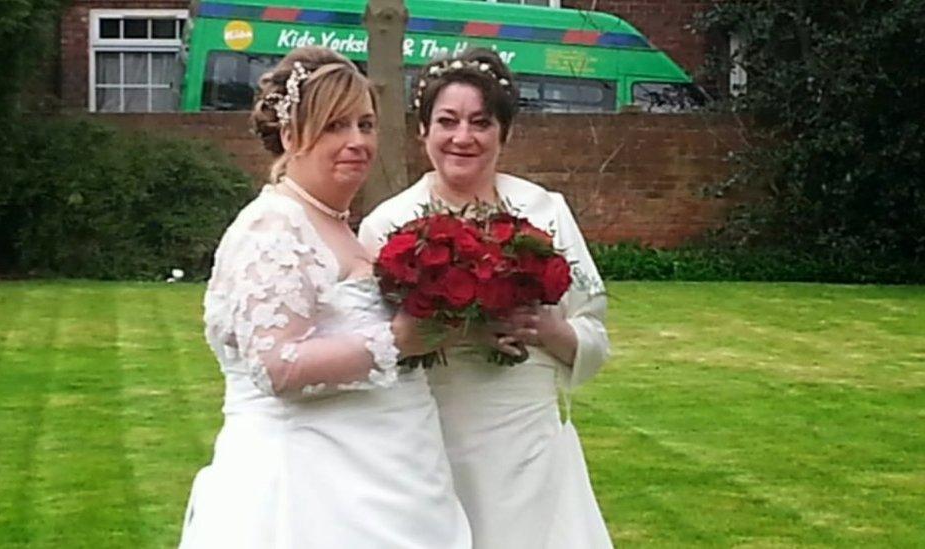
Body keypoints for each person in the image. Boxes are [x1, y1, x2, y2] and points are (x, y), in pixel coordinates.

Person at [179, 46, 470, 548]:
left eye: (365, 124)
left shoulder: (335, 224)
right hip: (306, 494)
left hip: (385, 479)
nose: (357, 141)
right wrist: (397, 339)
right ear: (290, 136)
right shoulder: (273, 226)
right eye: (335, 126)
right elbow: (276, 365)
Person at [359, 48, 614, 549]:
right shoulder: (386, 224)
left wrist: (548, 330)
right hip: (431, 433)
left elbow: (595, 334)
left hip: (527, 440)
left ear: (504, 132)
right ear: (423, 130)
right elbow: (371, 345)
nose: (463, 137)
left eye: (481, 122)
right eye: (447, 121)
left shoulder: (544, 211)